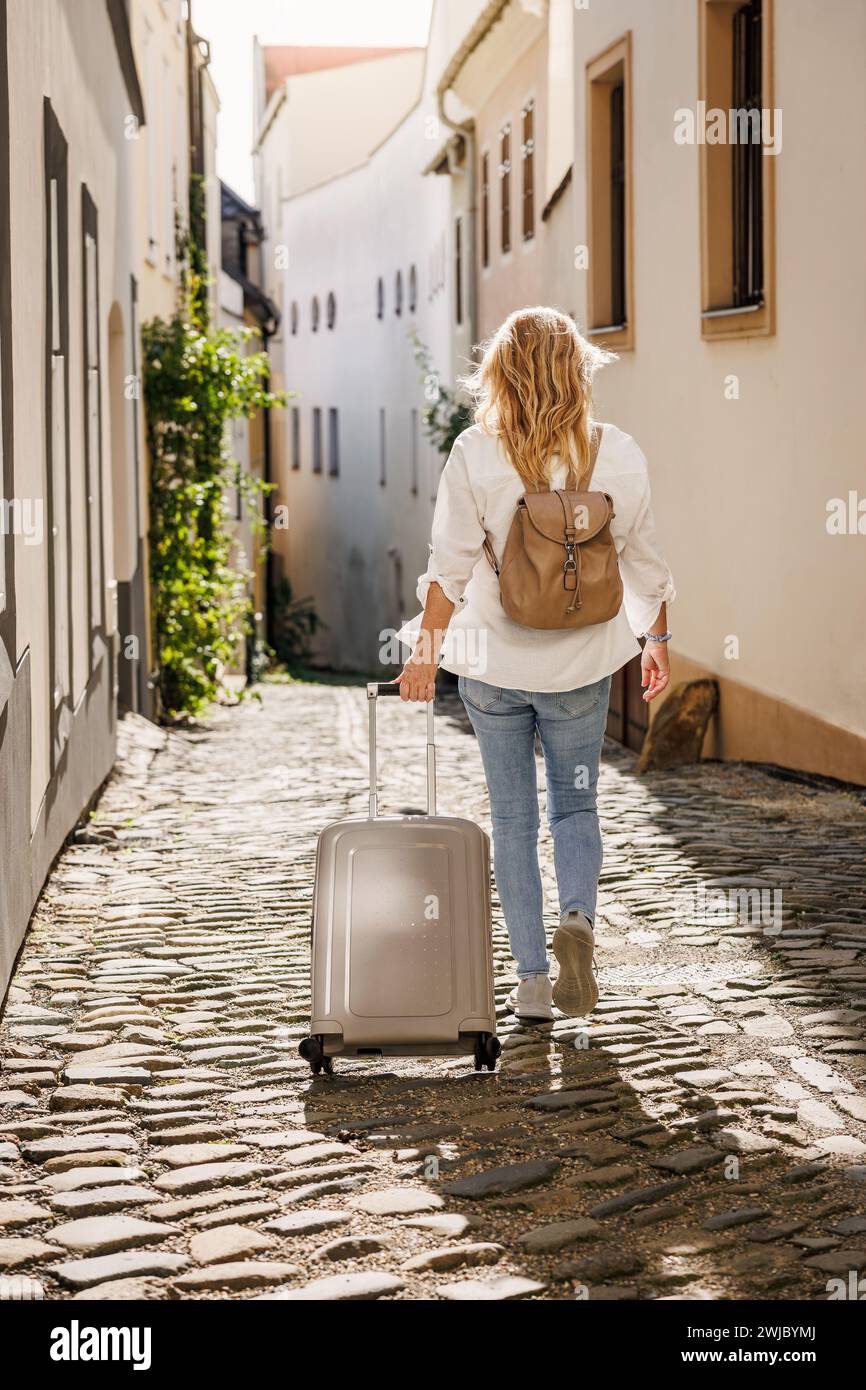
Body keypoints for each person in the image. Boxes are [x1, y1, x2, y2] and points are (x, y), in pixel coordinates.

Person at [397, 307, 675, 1022]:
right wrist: (656, 641)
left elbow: (447, 571)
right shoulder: (617, 453)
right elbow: (644, 561)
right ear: (576, 369)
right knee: (576, 804)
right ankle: (577, 922)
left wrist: (425, 657)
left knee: (515, 820)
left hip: (494, 667)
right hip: (581, 668)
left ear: (501, 374)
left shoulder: (474, 453)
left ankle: (530, 985)